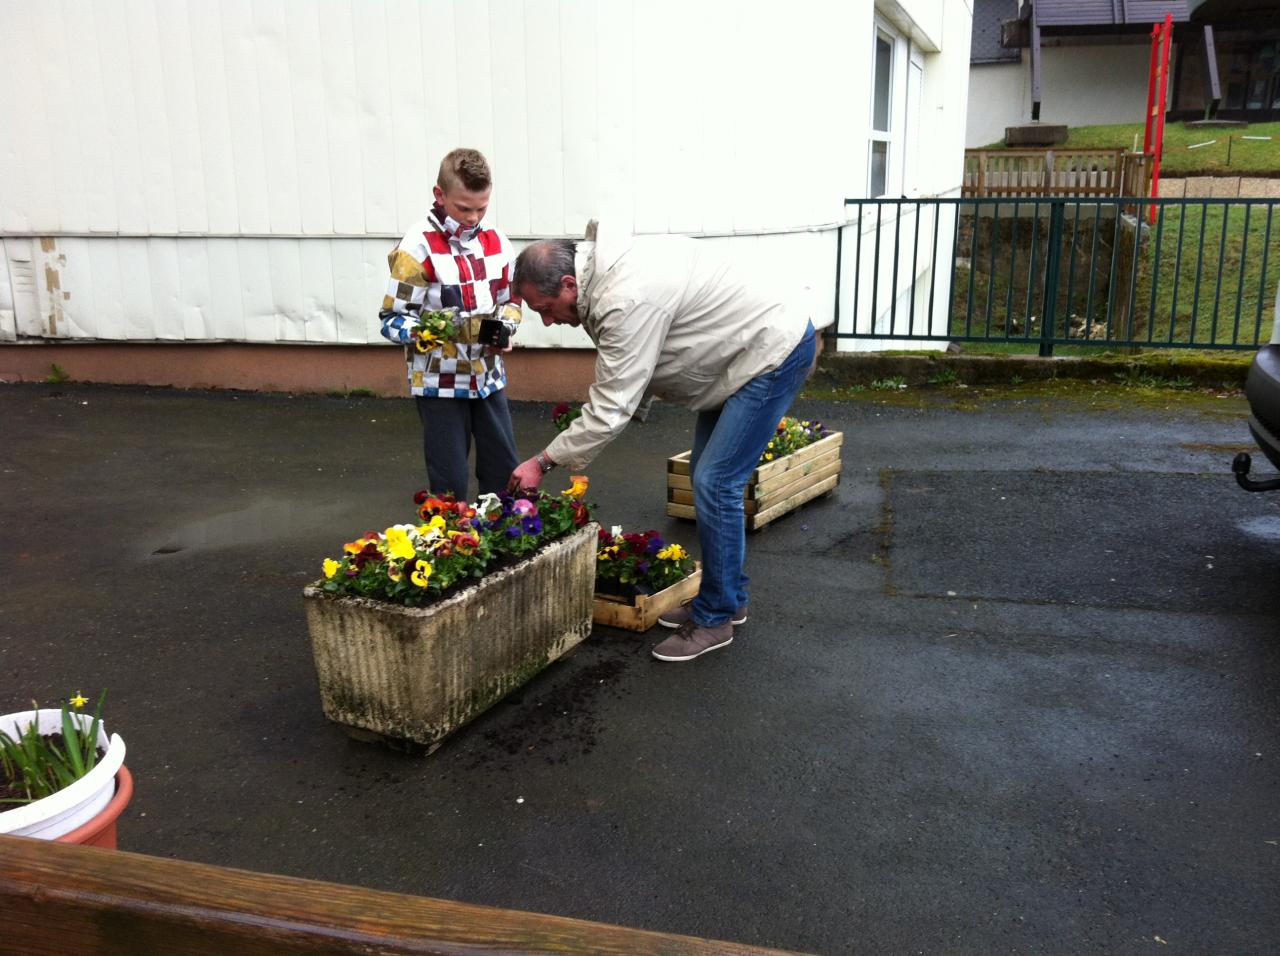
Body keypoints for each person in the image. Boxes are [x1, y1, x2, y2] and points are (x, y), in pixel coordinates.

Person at [509, 223, 816, 663]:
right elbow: (633, 373)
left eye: (546, 307)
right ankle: (728, 596)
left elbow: (613, 403)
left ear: (569, 282)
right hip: (732, 353)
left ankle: (715, 619)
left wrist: (543, 461)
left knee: (716, 482)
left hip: (768, 351)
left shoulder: (624, 297)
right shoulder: (609, 276)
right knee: (708, 477)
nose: (548, 320)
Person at [378, 148, 522, 500]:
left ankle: (507, 544)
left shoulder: (497, 241)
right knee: (449, 480)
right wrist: (428, 332)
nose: (474, 218)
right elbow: (391, 319)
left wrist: (507, 329)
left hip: (488, 376)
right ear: (439, 196)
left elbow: (511, 301)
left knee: (503, 470)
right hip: (438, 382)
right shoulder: (416, 248)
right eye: (463, 208)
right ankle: (452, 543)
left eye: (482, 208)